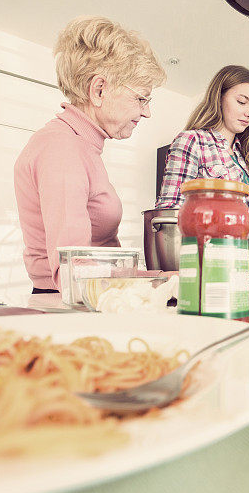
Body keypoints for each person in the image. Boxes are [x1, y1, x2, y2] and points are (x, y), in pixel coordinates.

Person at [14, 16, 166, 293]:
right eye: (141, 98)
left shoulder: (78, 145)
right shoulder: (63, 149)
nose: (146, 111)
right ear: (99, 90)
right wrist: (167, 282)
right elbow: (75, 274)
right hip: (69, 304)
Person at [155, 65, 249, 216]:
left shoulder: (247, 156)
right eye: (242, 102)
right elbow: (170, 211)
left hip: (246, 239)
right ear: (219, 98)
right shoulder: (192, 141)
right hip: (208, 239)